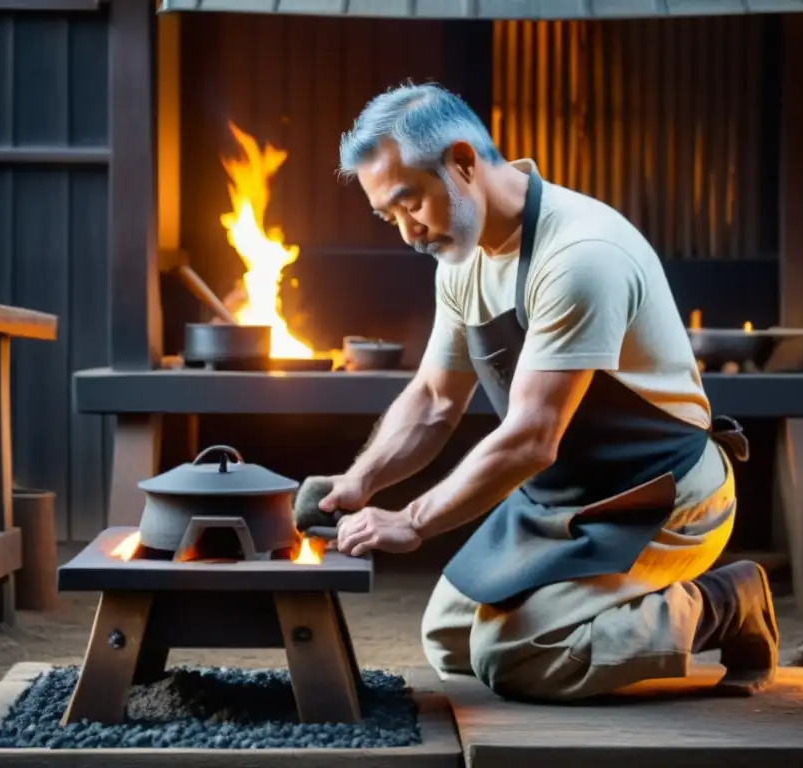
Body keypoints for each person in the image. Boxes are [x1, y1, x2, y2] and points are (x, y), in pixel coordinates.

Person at [298, 82, 778, 702]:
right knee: (452, 639)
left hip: (657, 492)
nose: (407, 234)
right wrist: (360, 482)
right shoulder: (462, 258)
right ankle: (599, 612)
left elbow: (530, 438)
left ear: (463, 162)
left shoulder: (579, 254)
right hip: (559, 495)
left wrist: (413, 520)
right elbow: (434, 400)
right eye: (388, 216)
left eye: (410, 203)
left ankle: (725, 602)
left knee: (516, 656)